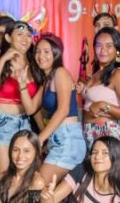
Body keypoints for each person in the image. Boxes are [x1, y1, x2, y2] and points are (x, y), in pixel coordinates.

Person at [0, 20, 40, 178]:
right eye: (20, 34)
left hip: (24, 123)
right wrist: (3, 59)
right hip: (0, 123)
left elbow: (34, 106)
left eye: (28, 35)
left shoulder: (35, 63)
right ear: (8, 38)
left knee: (23, 178)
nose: (25, 38)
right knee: (6, 178)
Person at [23, 33, 86, 182]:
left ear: (56, 53)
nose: (41, 56)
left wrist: (40, 139)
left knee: (37, 183)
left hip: (68, 139)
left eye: (46, 51)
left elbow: (63, 110)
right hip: (58, 139)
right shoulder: (47, 80)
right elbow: (30, 109)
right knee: (46, 189)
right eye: (38, 51)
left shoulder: (60, 73)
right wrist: (21, 85)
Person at [82, 27, 120, 146]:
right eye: (99, 45)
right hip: (89, 134)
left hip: (108, 135)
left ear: (117, 50)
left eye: (109, 46)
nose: (103, 50)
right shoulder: (97, 73)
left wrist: (104, 105)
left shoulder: (118, 74)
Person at [0, 130, 47, 203]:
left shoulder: (36, 182)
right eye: (15, 150)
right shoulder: (5, 176)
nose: (20, 156)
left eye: (26, 151)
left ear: (36, 153)